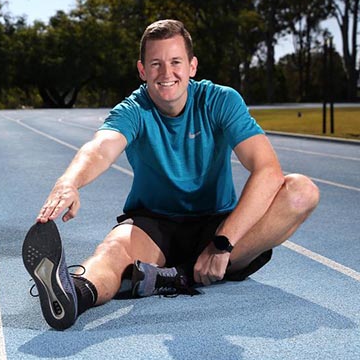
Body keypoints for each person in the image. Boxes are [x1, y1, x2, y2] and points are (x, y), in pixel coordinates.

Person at [23, 19, 319, 330]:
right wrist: (69, 182)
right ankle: (73, 293)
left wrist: (223, 243)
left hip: (217, 226)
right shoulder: (133, 110)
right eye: (156, 64)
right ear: (142, 70)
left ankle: (177, 276)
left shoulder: (220, 100)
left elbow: (268, 171)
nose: (167, 74)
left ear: (192, 66)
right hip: (155, 223)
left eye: (175, 62)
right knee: (112, 252)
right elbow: (100, 148)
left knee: (301, 191)